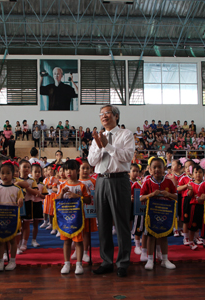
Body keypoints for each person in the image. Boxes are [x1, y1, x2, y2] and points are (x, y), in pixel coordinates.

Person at [88, 105, 134, 277]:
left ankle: (123, 263)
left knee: (121, 223)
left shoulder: (125, 134)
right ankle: (107, 261)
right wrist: (100, 146)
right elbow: (92, 161)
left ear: (116, 116)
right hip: (101, 181)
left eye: (107, 113)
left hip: (119, 179)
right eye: (101, 114)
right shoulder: (97, 138)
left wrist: (108, 147)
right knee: (104, 224)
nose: (103, 116)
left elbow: (127, 157)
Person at [139, 157, 177, 270]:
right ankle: (150, 259)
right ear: (150, 170)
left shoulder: (169, 182)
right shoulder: (147, 182)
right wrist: (151, 195)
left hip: (165, 213)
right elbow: (141, 198)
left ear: (164, 168)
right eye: (154, 167)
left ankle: (165, 259)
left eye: (159, 167)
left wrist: (168, 194)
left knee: (164, 237)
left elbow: (176, 196)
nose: (157, 169)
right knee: (151, 237)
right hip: (151, 215)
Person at [56, 160, 90, 275]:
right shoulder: (62, 185)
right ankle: (66, 263)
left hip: (78, 219)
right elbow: (58, 201)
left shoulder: (82, 185)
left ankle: (79, 264)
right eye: (66, 169)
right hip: (65, 219)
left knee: (78, 241)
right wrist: (61, 193)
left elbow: (88, 200)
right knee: (66, 241)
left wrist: (77, 196)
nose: (68, 172)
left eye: (71, 169)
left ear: (77, 171)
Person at [0, 161, 23, 271]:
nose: (5, 175)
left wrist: (21, 200)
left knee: (13, 241)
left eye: (8, 173)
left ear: (13, 174)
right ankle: (1, 261)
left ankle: (12, 261)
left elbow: (21, 199)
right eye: (2, 173)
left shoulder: (17, 189)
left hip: (12, 220)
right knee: (1, 241)